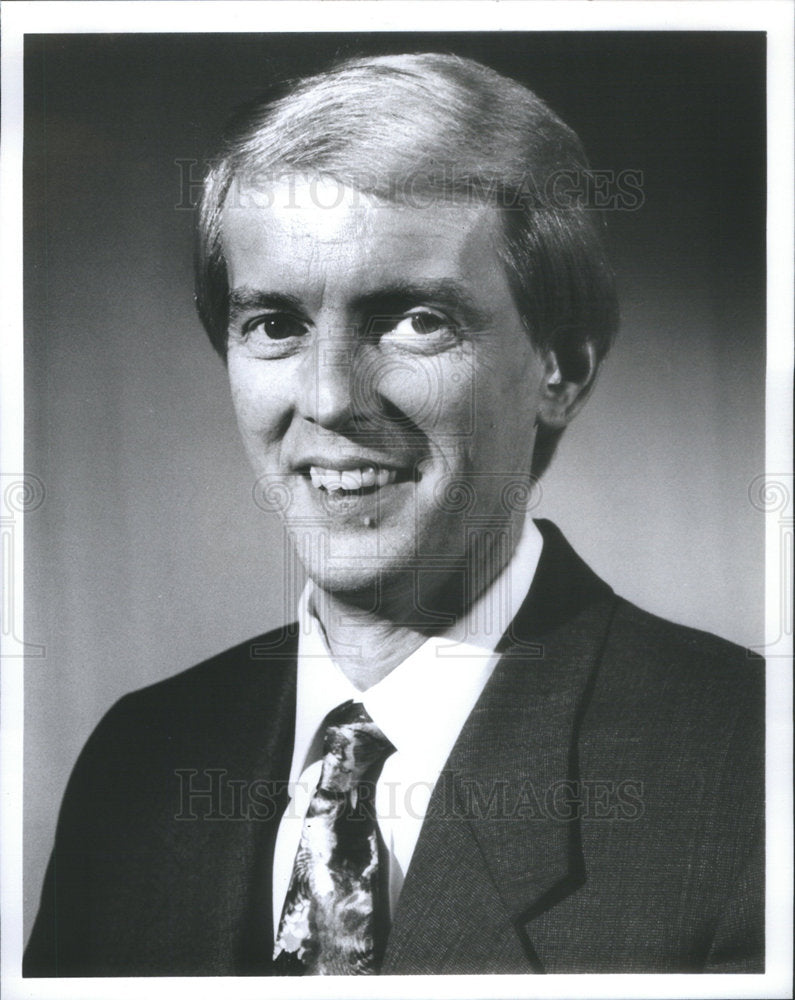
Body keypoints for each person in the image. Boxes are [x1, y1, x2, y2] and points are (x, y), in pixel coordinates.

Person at [24, 52, 763, 977]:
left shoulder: (750, 772)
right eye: (274, 324)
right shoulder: (140, 756)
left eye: (414, 320)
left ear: (559, 371)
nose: (330, 399)